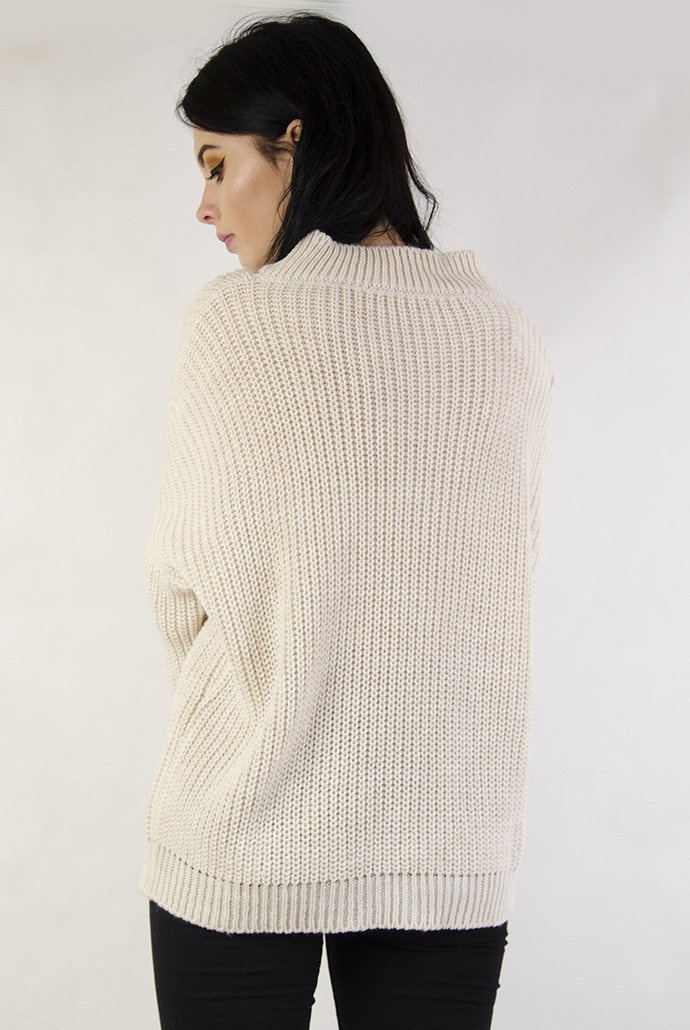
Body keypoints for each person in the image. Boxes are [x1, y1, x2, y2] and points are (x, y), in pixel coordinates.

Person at [139, 10, 555, 1030]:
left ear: (295, 140)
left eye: (217, 164)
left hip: (241, 825)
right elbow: (503, 577)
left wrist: (274, 690)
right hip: (447, 834)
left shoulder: (233, 322)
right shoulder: (506, 336)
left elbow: (180, 590)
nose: (204, 205)